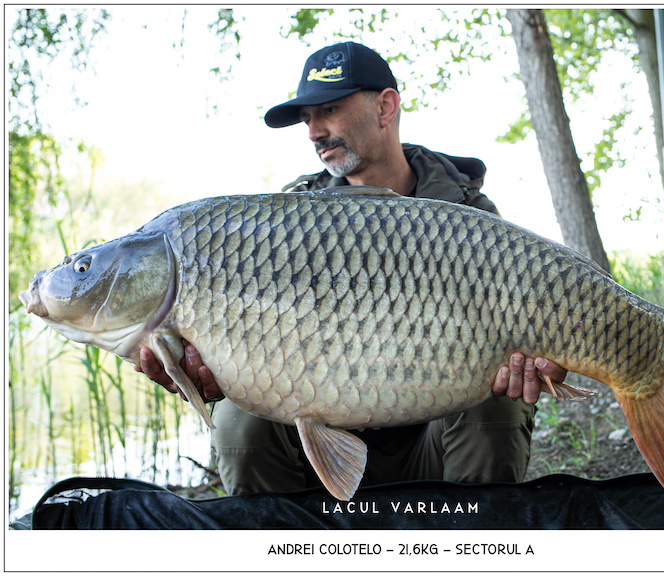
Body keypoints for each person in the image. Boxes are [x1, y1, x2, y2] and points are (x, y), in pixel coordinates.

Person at [138, 42, 568, 495]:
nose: (313, 131)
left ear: (386, 106)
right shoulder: (289, 220)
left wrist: (541, 360)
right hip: (319, 454)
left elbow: (529, 344)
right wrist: (202, 373)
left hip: (435, 444)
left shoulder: (466, 213)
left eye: (329, 110)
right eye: (307, 119)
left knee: (499, 402)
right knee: (238, 422)